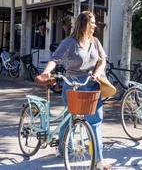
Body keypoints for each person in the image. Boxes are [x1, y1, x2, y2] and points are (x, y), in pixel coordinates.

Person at [41, 11, 111, 170]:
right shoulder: (69, 43)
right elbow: (54, 59)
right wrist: (46, 72)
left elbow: (102, 60)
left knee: (95, 122)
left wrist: (97, 72)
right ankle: (62, 148)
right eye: (92, 23)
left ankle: (99, 160)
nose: (94, 25)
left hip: (91, 84)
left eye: (94, 23)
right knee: (69, 117)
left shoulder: (95, 42)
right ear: (83, 24)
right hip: (72, 84)